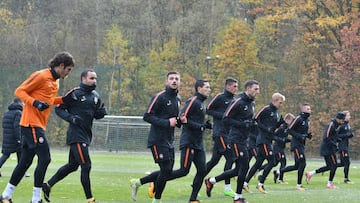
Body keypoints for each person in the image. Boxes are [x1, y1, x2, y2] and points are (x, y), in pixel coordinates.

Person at [0, 52, 74, 203]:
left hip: (38, 125)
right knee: (45, 158)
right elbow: (19, 91)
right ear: (61, 66)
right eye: (68, 69)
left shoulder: (56, 81)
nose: (69, 73)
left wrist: (64, 100)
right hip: (31, 124)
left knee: (25, 162)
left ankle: (6, 195)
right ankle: (35, 199)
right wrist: (35, 103)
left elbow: (49, 99)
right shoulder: (41, 75)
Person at [42, 69, 107, 203]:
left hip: (86, 135)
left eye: (95, 78)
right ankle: (90, 199)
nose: (94, 81)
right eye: (91, 78)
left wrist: (101, 113)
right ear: (83, 79)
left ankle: (47, 185)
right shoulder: (74, 93)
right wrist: (72, 118)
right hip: (76, 135)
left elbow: (95, 114)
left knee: (72, 165)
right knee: (86, 165)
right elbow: (59, 109)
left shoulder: (95, 96)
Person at [130, 71, 184, 203]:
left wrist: (180, 121)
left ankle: (138, 182)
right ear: (167, 81)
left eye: (176, 79)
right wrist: (167, 123)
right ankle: (156, 199)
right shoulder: (160, 97)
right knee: (165, 170)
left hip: (169, 140)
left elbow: (173, 120)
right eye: (171, 78)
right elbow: (147, 116)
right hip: (157, 140)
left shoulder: (178, 99)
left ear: (179, 82)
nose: (174, 81)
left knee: (167, 172)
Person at [205, 80, 260, 203]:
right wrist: (241, 124)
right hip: (234, 139)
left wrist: (253, 125)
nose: (258, 92)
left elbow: (247, 121)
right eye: (255, 89)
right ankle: (237, 197)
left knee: (237, 169)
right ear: (248, 89)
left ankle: (211, 181)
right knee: (244, 166)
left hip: (243, 139)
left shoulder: (252, 103)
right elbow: (225, 118)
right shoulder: (238, 102)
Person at [164, 79, 211, 203]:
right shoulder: (193, 101)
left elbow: (194, 121)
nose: (209, 89)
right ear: (199, 88)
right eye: (206, 87)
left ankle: (193, 199)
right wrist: (198, 126)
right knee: (184, 171)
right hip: (189, 142)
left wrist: (205, 125)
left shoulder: (202, 103)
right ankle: (157, 180)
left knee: (202, 170)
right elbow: (182, 118)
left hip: (198, 143)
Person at [243, 93, 285, 194]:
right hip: (263, 140)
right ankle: (260, 184)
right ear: (274, 100)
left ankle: (245, 183)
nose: (281, 104)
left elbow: (272, 128)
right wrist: (266, 129)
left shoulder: (276, 112)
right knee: (272, 161)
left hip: (268, 140)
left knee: (258, 163)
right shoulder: (266, 109)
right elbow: (255, 120)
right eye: (280, 102)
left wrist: (279, 124)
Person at [205, 77, 238, 197]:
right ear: (228, 86)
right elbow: (208, 110)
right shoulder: (220, 97)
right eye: (234, 86)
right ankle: (227, 188)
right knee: (231, 158)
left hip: (228, 134)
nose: (236, 88)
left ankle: (199, 181)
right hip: (220, 134)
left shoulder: (234, 100)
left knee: (214, 161)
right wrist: (223, 116)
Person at [276, 103, 312, 191]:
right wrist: (299, 136)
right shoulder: (298, 119)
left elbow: (302, 133)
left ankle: (278, 172)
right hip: (296, 145)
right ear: (302, 110)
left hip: (301, 145)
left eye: (310, 109)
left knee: (297, 166)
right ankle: (298, 185)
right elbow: (289, 130)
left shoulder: (307, 121)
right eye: (307, 109)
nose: (309, 110)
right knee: (303, 163)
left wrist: (307, 136)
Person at [305, 112, 346, 189]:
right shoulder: (331, 125)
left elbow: (333, 136)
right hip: (328, 149)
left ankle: (310, 173)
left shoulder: (336, 126)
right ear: (338, 119)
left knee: (329, 166)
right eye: (342, 120)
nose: (343, 122)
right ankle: (329, 184)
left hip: (329, 148)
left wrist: (338, 139)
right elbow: (326, 137)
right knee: (334, 165)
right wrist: (334, 145)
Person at [0, 98, 24, 177]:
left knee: (6, 155)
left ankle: (21, 172)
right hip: (14, 138)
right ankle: (21, 172)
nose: (24, 104)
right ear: (19, 103)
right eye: (23, 102)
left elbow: (4, 125)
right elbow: (17, 127)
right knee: (20, 154)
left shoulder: (7, 112)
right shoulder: (18, 113)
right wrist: (19, 139)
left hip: (7, 137)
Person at [271, 113, 295, 184]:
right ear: (287, 119)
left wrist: (290, 140)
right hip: (277, 148)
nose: (292, 122)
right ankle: (280, 179)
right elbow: (274, 135)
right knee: (283, 162)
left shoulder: (286, 127)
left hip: (281, 147)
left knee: (274, 163)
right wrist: (281, 140)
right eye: (291, 120)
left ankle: (276, 173)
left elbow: (284, 138)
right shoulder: (282, 127)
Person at [336, 111, 354, 183]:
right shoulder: (342, 125)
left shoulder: (347, 125)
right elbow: (336, 135)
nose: (350, 117)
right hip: (342, 147)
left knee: (342, 163)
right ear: (345, 117)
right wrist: (347, 135)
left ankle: (329, 166)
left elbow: (346, 134)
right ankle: (346, 179)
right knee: (347, 162)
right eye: (348, 115)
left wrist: (350, 135)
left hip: (345, 146)